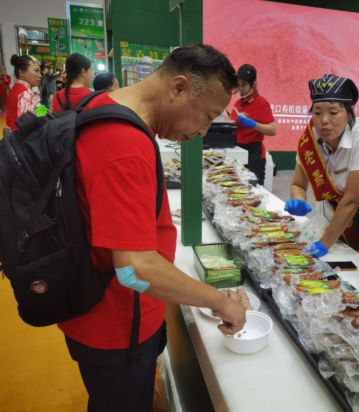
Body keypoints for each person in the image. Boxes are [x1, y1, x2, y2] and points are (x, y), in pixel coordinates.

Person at [57, 44, 246, 411]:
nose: (203, 131)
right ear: (178, 88)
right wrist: (219, 301)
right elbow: (133, 270)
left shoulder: (102, 104)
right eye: (206, 116)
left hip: (101, 313)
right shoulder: (124, 143)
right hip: (117, 328)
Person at [284, 74, 359, 258]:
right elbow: (298, 184)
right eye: (317, 113)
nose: (324, 120)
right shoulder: (311, 137)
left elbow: (352, 201)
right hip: (329, 217)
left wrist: (324, 244)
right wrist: (298, 199)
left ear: (349, 113)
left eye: (333, 112)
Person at [229, 64, 276, 185]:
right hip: (238, 150)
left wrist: (253, 124)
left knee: (254, 189)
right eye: (239, 85)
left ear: (253, 84)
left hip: (254, 153)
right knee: (237, 188)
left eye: (244, 85)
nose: (240, 89)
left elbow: (273, 130)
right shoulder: (238, 103)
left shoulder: (261, 103)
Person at [6, 54, 42, 129]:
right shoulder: (25, 94)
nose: (40, 75)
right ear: (22, 72)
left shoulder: (17, 88)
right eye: (36, 71)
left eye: (40, 71)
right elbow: (29, 128)